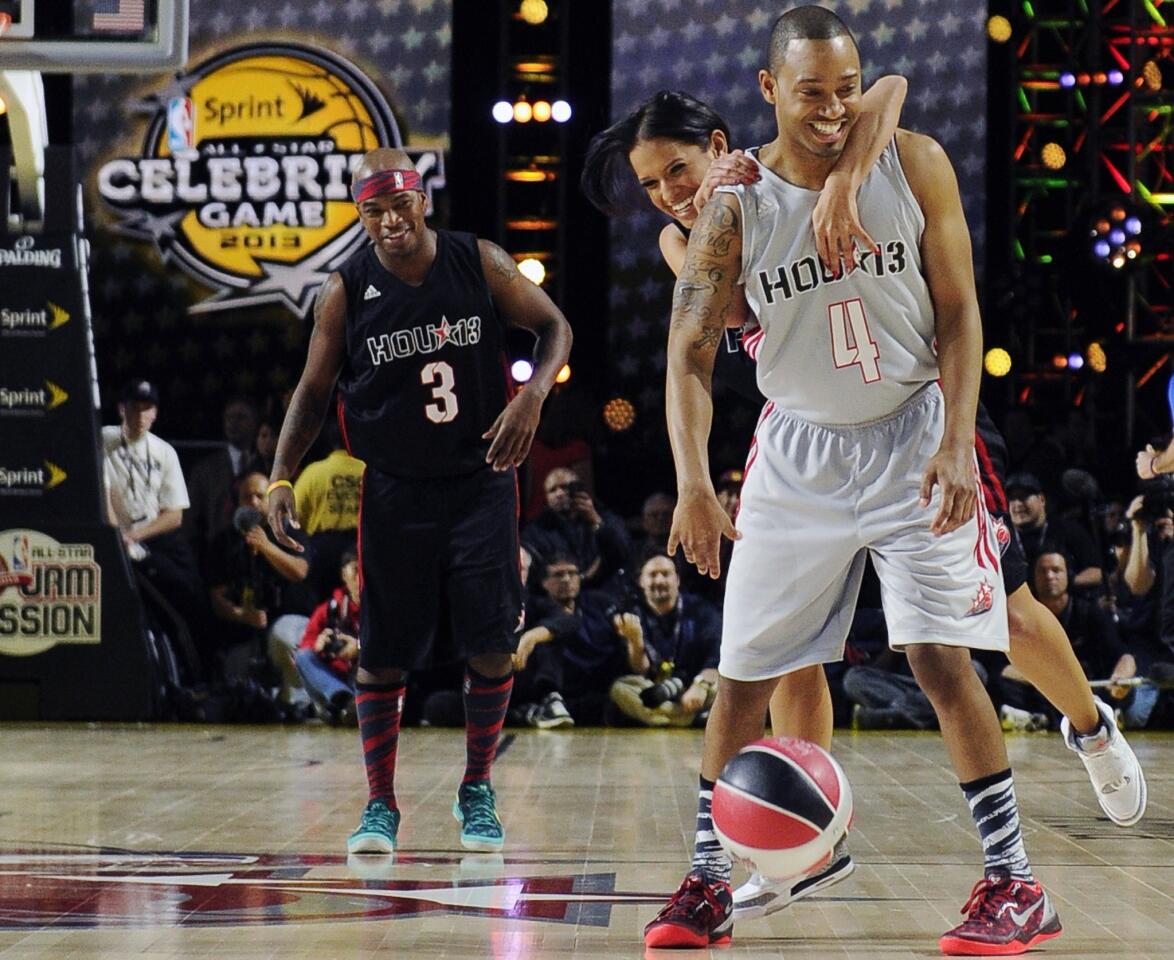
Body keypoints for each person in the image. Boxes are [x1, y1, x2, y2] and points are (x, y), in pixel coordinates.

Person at [583, 12, 1142, 935]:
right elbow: (687, 353)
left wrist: (958, 442)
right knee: (746, 669)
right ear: (769, 93)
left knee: (959, 643)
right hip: (799, 444)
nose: (834, 107)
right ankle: (713, 873)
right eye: (812, 92)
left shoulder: (904, 159)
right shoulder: (723, 213)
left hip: (913, 428)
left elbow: (954, 299)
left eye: (677, 170)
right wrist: (692, 480)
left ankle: (1031, 846)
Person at [266, 147, 573, 855]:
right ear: (362, 217)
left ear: (422, 198)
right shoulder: (346, 291)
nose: (389, 220)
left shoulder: (480, 261)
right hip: (397, 490)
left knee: (493, 644)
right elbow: (312, 393)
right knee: (381, 654)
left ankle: (477, 789)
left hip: (481, 481)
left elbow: (557, 328)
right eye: (372, 211)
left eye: (399, 203)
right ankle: (380, 805)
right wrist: (281, 474)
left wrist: (530, 398)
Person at [102, 378, 207, 673]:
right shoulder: (104, 440)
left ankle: (196, 672)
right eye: (134, 408)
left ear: (155, 413)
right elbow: (104, 495)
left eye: (146, 409)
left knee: (191, 593)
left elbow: (174, 514)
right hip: (117, 537)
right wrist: (119, 537)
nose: (139, 416)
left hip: (154, 536)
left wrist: (136, 536)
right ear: (122, 409)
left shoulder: (164, 451)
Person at [207, 471, 312, 711]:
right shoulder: (224, 541)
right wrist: (240, 614)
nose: (253, 502)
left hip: (290, 621)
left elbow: (300, 571)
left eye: (259, 496)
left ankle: (297, 704)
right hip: (246, 629)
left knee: (283, 637)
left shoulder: (290, 531)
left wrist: (265, 546)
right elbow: (217, 597)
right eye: (246, 497)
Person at [998, 551, 1136, 724]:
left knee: (1125, 691)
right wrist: (1042, 676)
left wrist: (1121, 676)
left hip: (1088, 686)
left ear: (1068, 575)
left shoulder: (1090, 612)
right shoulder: (1017, 615)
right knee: (1003, 684)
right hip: (1043, 687)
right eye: (1042, 571)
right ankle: (1042, 717)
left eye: (1056, 570)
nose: (1049, 576)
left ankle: (1100, 716)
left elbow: (1125, 655)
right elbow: (1001, 667)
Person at [511, 555, 637, 727]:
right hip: (555, 684)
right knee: (546, 641)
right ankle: (546, 703)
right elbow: (565, 619)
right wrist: (532, 636)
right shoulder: (535, 606)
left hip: (596, 682)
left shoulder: (599, 602)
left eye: (572, 573)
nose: (566, 579)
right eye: (558, 575)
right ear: (544, 583)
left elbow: (572, 621)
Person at [608, 553, 721, 727]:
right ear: (641, 581)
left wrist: (701, 685)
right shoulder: (634, 614)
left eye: (666, 574)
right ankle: (689, 719)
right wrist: (635, 642)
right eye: (652, 575)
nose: (659, 581)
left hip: (695, 684)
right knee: (620, 688)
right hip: (655, 689)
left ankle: (664, 718)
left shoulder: (701, 610)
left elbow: (716, 655)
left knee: (721, 685)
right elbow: (641, 670)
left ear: (677, 580)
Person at [522, 467, 631, 591]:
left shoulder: (607, 518)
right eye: (552, 490)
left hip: (605, 592)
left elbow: (622, 552)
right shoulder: (536, 531)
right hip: (558, 597)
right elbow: (536, 572)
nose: (559, 494)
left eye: (564, 487)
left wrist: (595, 521)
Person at [184, 397, 261, 569]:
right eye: (229, 418)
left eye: (241, 417)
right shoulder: (204, 470)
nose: (234, 423)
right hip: (216, 560)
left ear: (255, 423)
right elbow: (190, 523)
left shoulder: (266, 466)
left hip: (260, 556)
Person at [295, 549, 361, 724]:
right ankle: (345, 701)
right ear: (343, 575)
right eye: (355, 570)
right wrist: (318, 646)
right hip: (337, 679)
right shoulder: (331, 608)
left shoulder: (381, 609)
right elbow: (306, 644)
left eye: (365, 571)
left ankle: (341, 708)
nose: (360, 578)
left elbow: (392, 645)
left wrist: (359, 648)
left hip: (365, 677)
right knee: (303, 657)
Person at [1006, 472, 1102, 590]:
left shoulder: (1068, 530)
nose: (1017, 504)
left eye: (1023, 497)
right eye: (1012, 499)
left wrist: (1065, 582)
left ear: (1041, 500)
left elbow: (1097, 572)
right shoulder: (1001, 537)